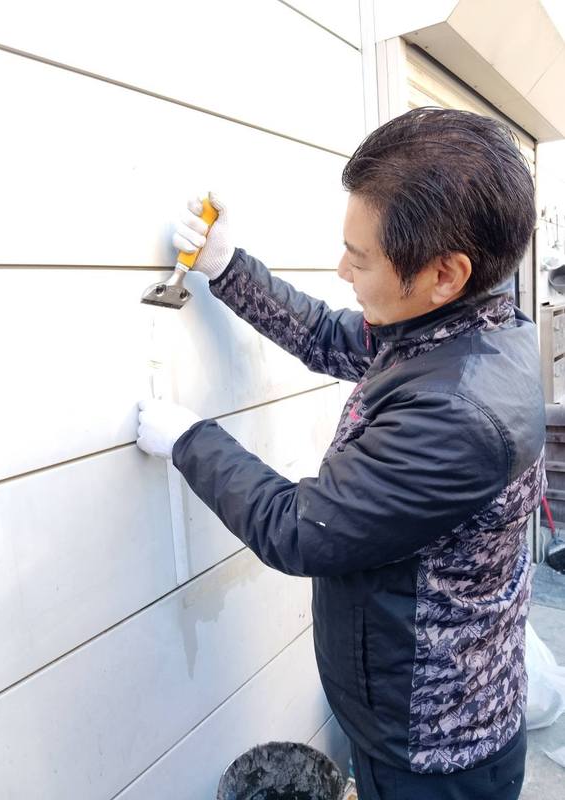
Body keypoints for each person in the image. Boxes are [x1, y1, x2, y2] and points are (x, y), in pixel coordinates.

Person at [137, 107, 545, 800]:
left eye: (360, 257)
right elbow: (331, 337)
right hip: (421, 710)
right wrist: (228, 269)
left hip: (432, 756)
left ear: (445, 273)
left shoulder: (457, 415)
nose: (342, 269)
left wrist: (189, 440)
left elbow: (302, 530)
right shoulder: (464, 329)